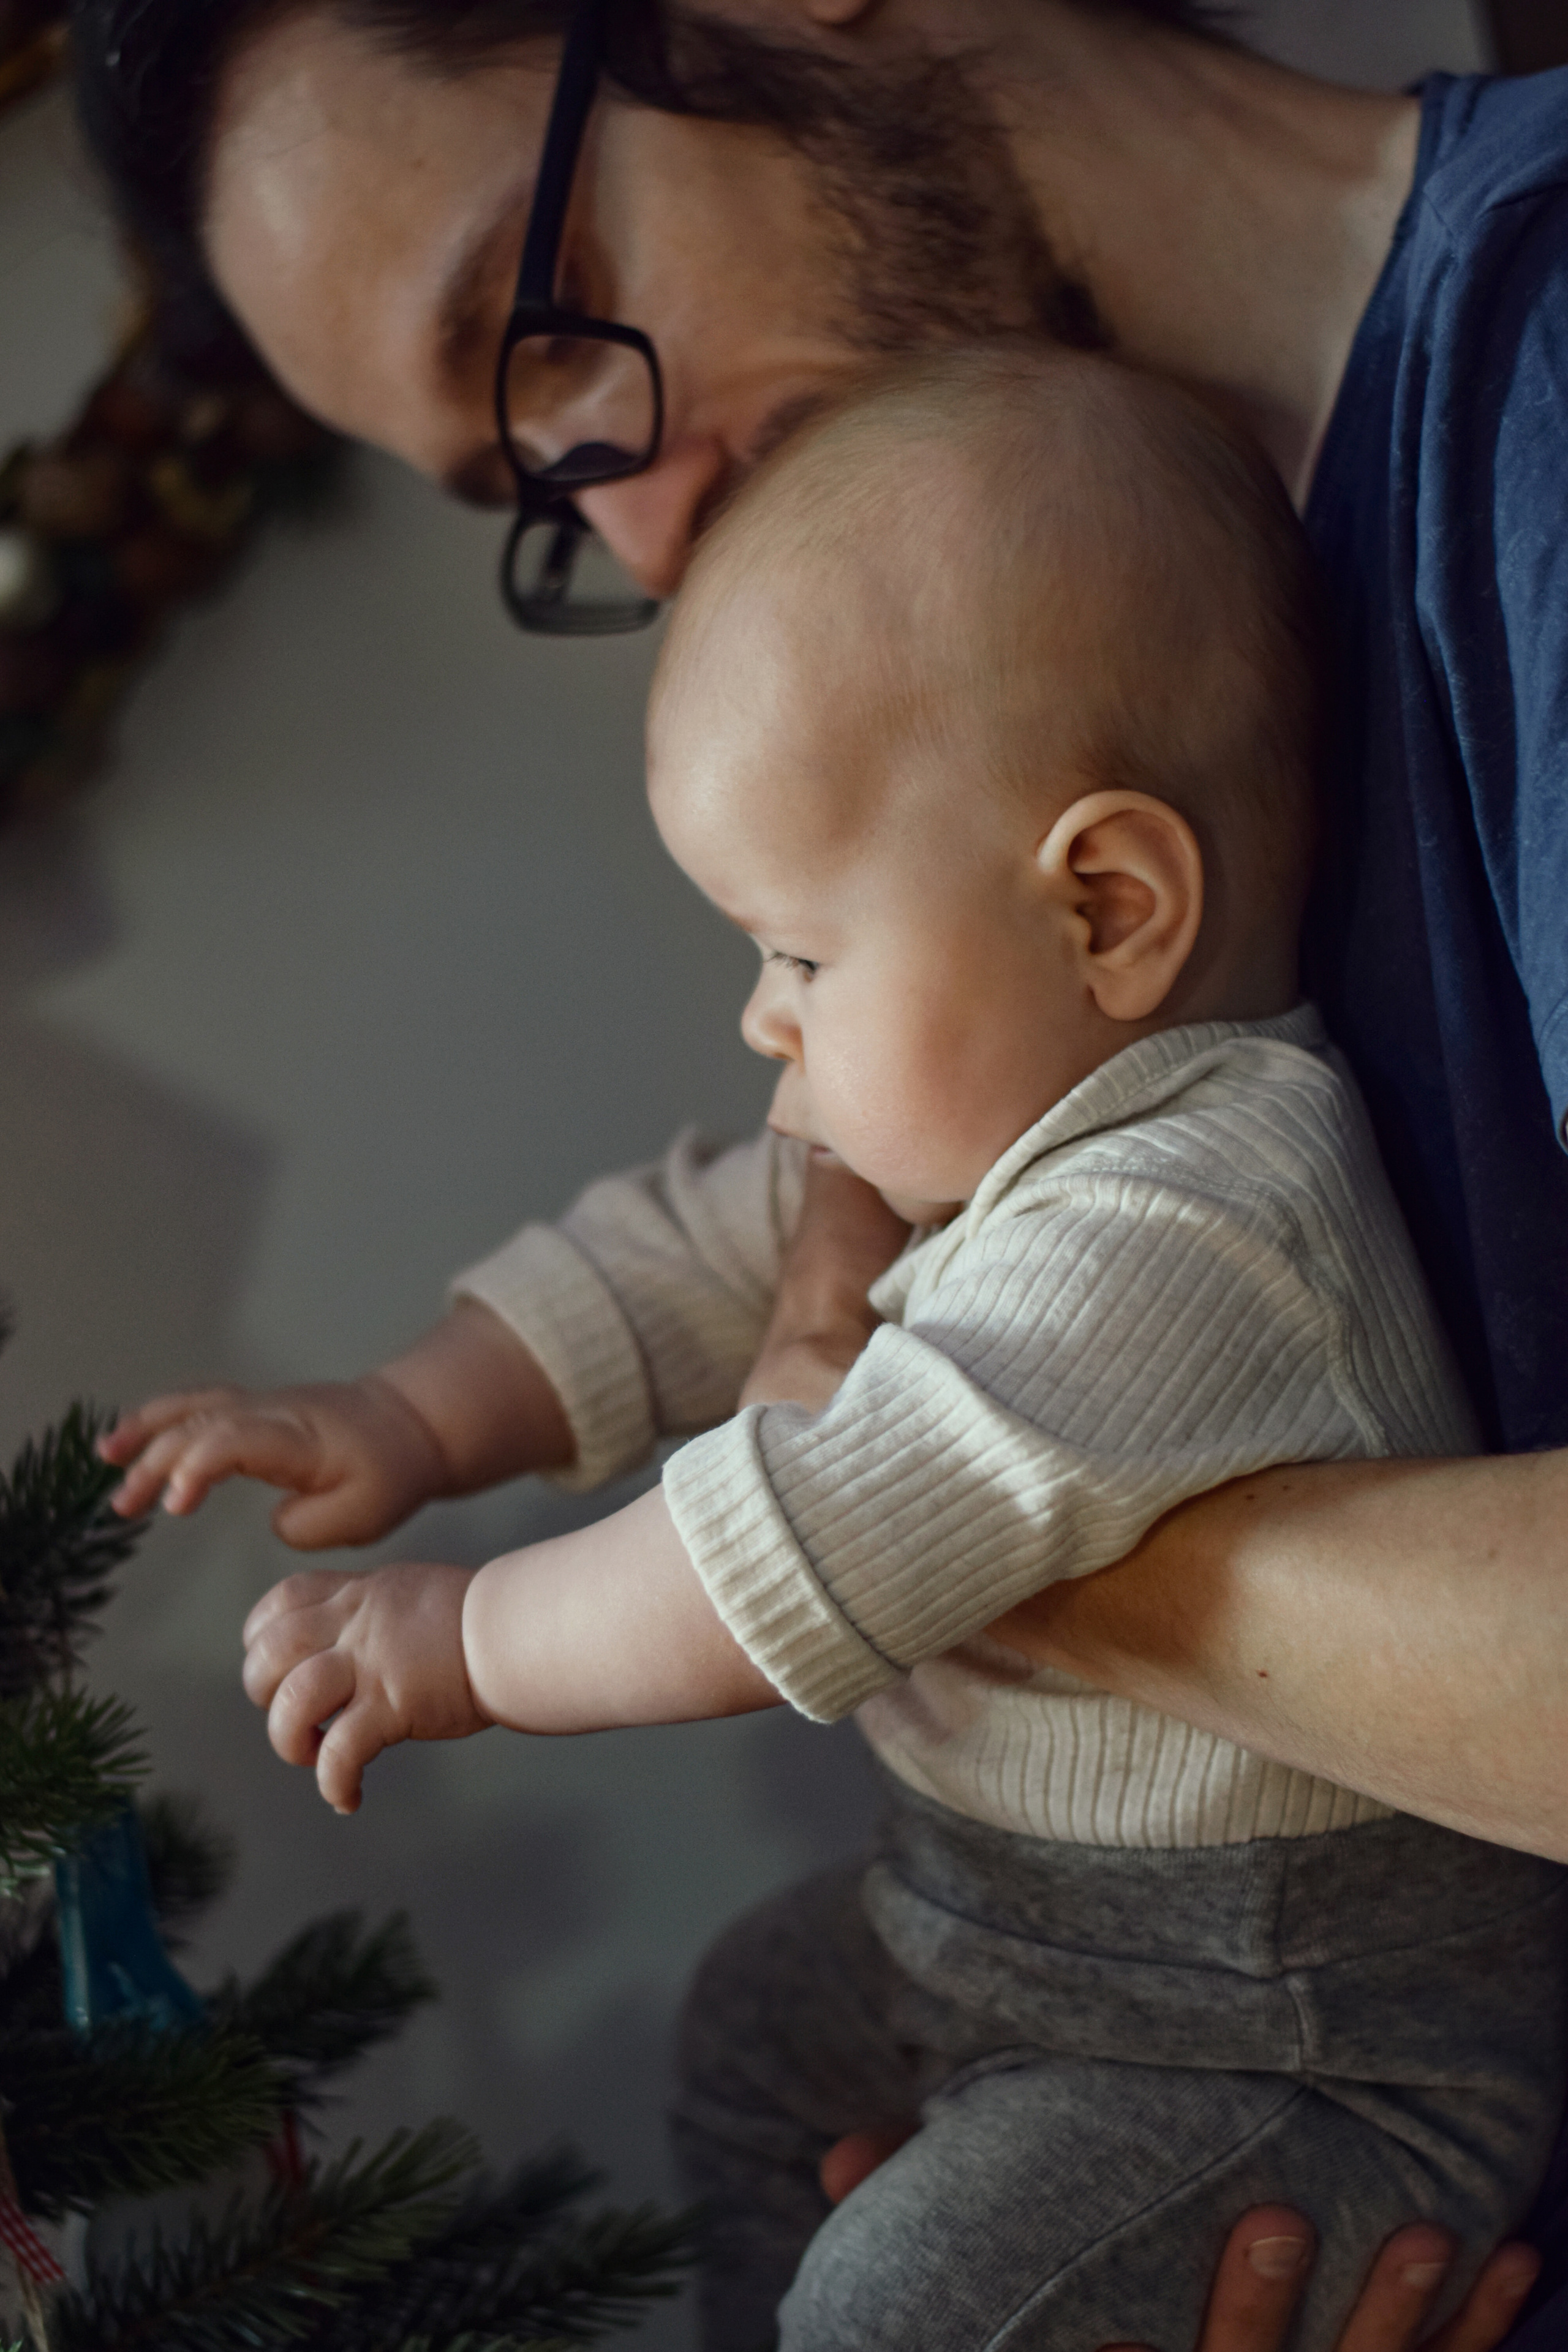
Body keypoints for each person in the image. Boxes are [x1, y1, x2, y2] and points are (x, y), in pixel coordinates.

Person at [67, 1, 1568, 2343]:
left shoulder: (1528, 411)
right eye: (539, 489)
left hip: (1302, 2030)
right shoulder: (1035, 725)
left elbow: (863, 1474)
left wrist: (929, 1518)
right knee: (779, 2094)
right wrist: (415, 1416)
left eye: (542, 303)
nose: (649, 520)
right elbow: (699, 1242)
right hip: (1048, 1965)